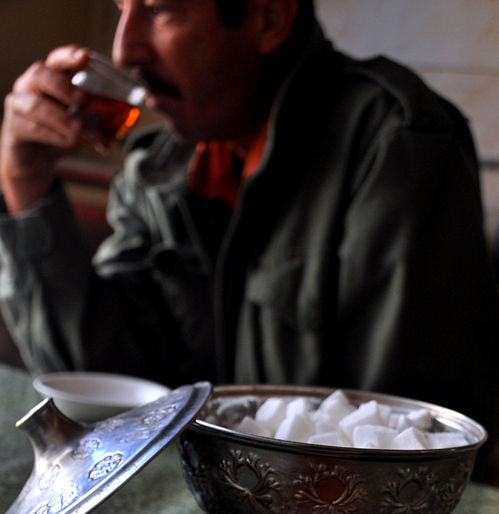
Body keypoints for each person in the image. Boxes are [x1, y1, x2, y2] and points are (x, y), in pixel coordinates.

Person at [0, 0, 499, 464]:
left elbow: (402, 444)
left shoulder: (395, 145)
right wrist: (27, 184)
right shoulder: (159, 169)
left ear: (268, 18)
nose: (123, 50)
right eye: (121, 7)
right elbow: (100, 389)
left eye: (160, 9)